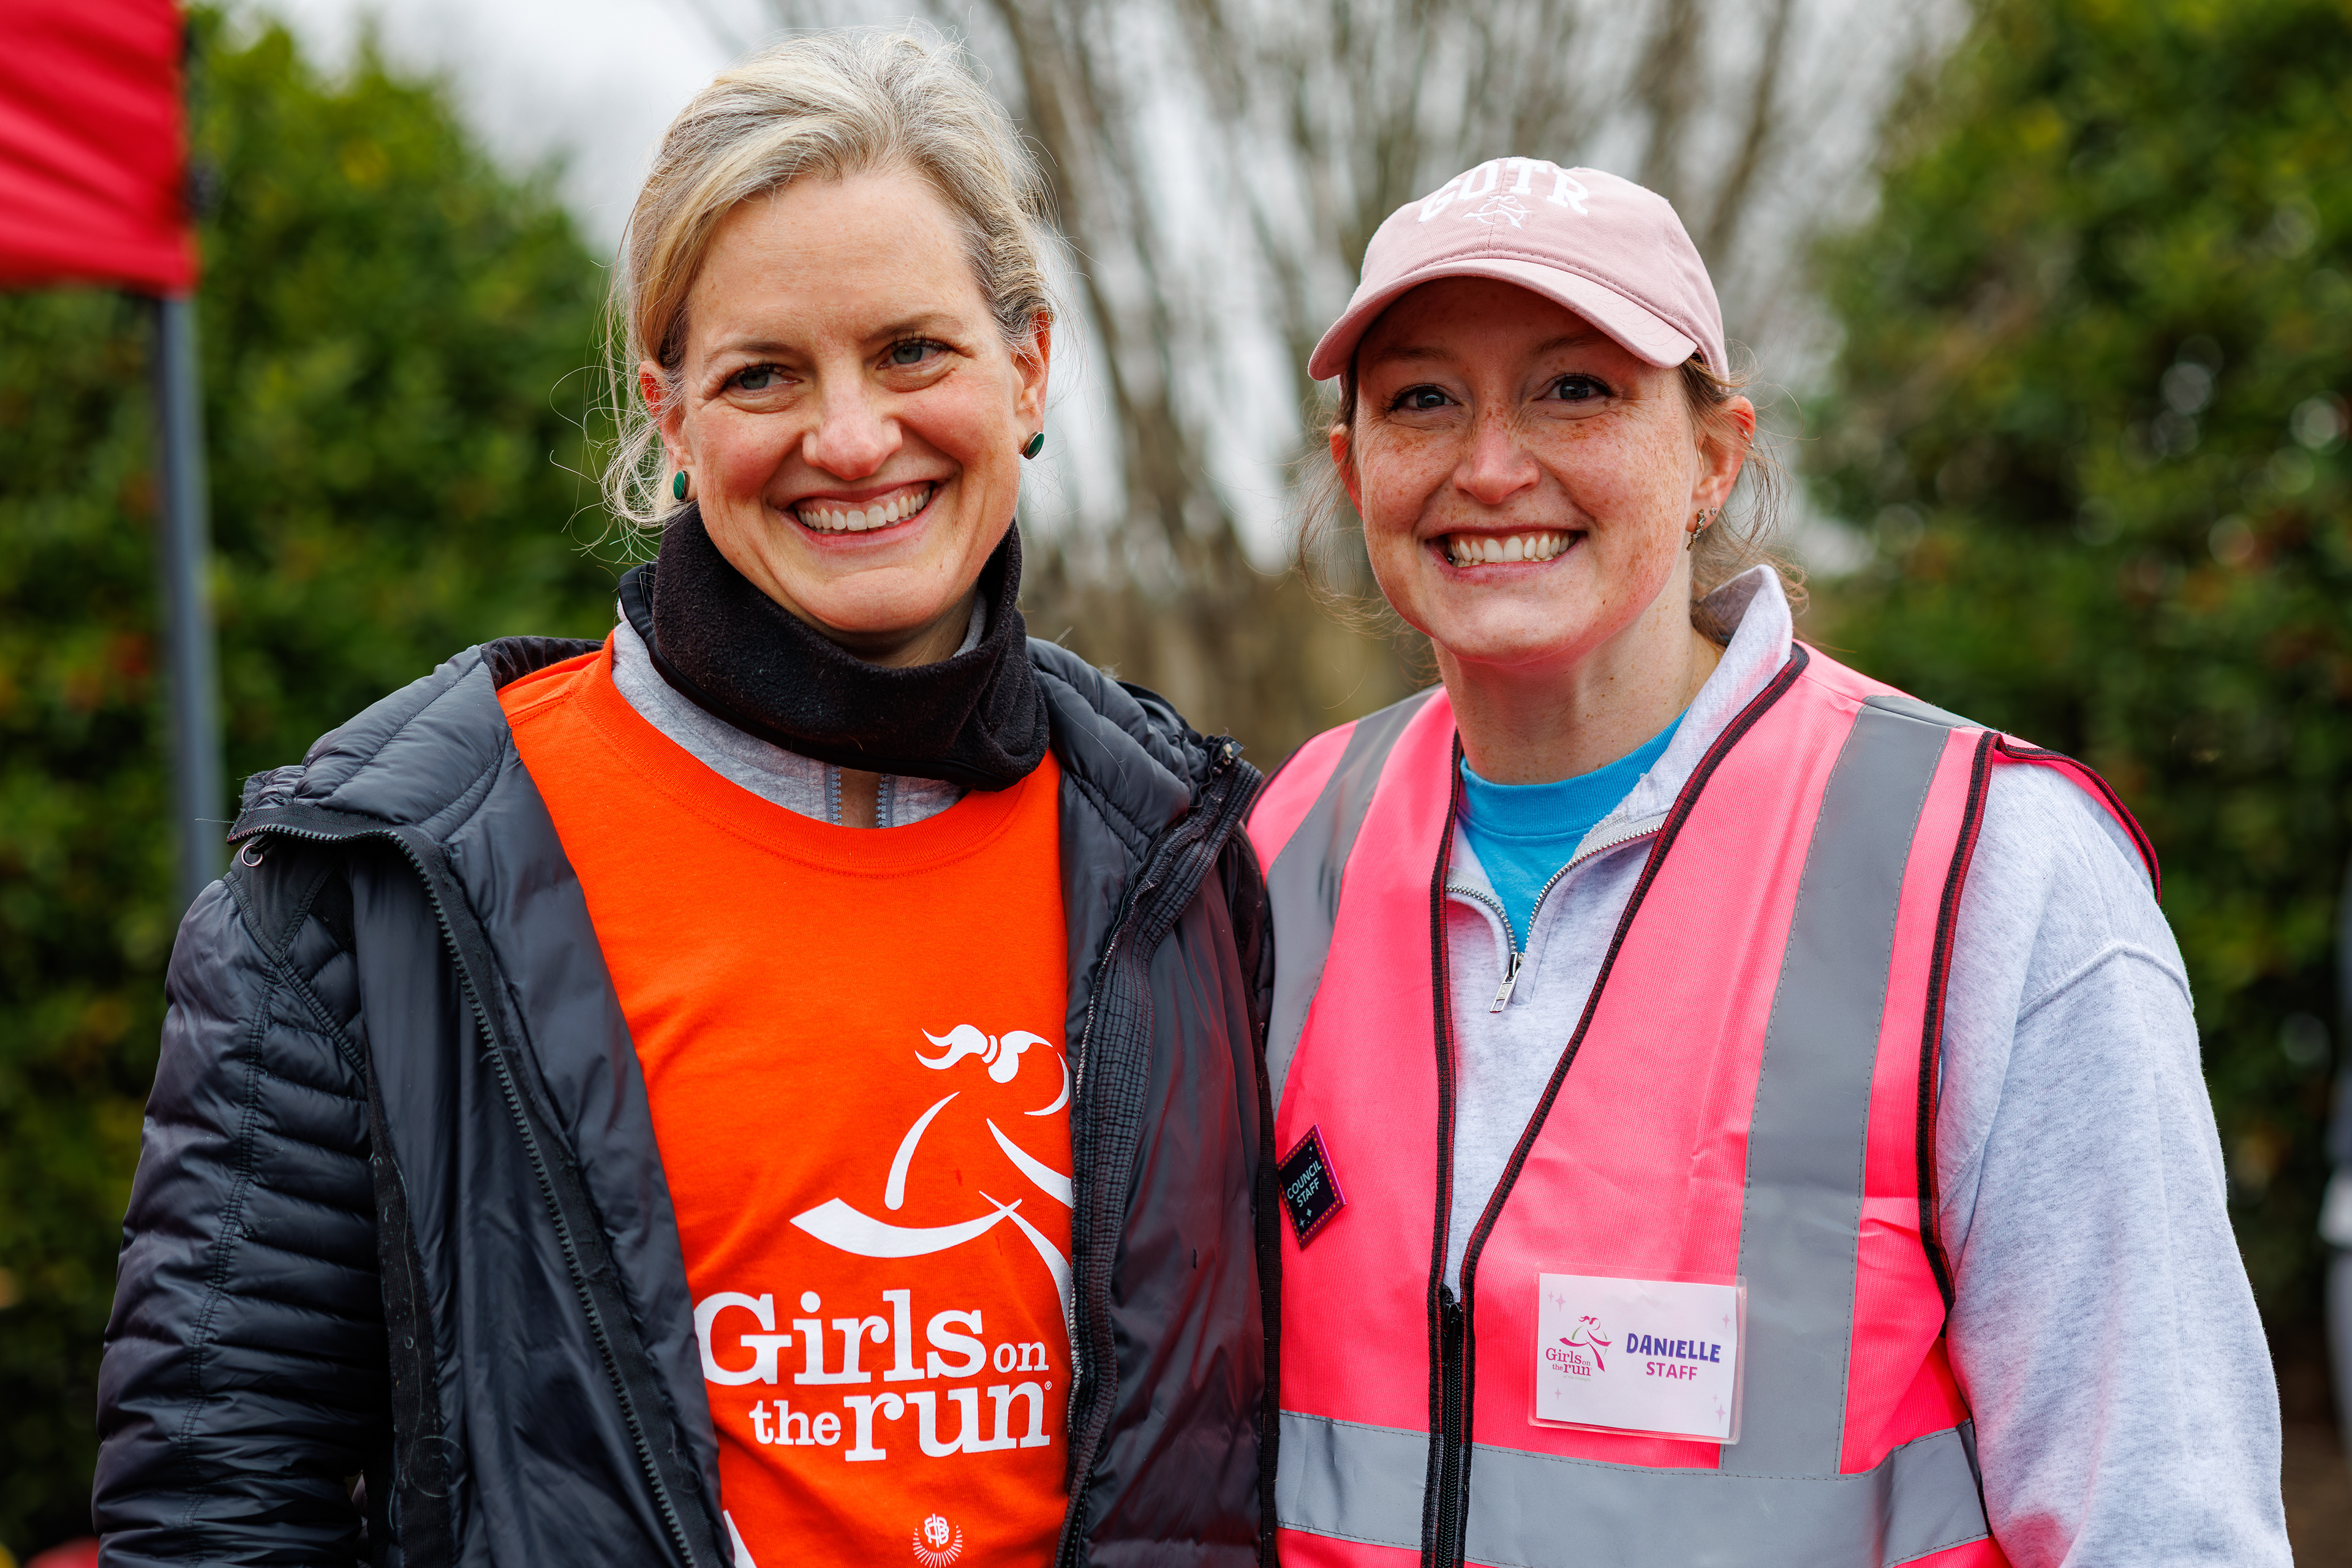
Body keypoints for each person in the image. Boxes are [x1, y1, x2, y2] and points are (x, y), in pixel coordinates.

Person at [94, 32, 1278, 1568]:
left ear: (1029, 366)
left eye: (913, 350)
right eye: (762, 374)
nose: (850, 438)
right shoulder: (375, 883)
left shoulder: (1182, 851)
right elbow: (213, 1509)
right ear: (668, 414)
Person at [1249, 159, 2288, 1565]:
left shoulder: (1988, 864)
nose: (1489, 467)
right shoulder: (1284, 841)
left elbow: (2158, 1519)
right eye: (1422, 399)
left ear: (1714, 457)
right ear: (1352, 469)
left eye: (1575, 389)